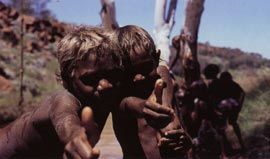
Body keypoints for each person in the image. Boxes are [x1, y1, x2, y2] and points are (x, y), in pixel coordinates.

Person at [0, 26, 190, 159]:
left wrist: (149, 108)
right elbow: (65, 119)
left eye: (112, 74)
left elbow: (156, 75)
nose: (105, 85)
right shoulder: (64, 100)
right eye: (90, 79)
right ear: (66, 80)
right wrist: (74, 137)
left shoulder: (113, 93)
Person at [113, 25, 192, 159]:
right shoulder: (118, 95)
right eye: (130, 72)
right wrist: (144, 107)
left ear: (156, 58)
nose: (139, 78)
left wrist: (185, 142)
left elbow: (162, 70)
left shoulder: (162, 85)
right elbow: (127, 104)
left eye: (145, 67)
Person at [218, 71, 246, 151]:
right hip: (225, 108)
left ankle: (240, 144)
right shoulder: (223, 85)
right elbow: (242, 93)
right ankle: (226, 149)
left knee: (229, 124)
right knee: (224, 127)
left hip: (231, 108)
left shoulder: (232, 84)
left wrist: (239, 105)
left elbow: (242, 93)